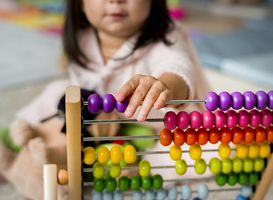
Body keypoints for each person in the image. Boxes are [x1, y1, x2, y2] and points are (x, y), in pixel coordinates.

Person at [16, 0, 213, 182]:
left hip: (171, 129)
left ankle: (147, 166)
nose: (115, 1)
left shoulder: (166, 37)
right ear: (80, 4)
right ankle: (24, 131)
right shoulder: (82, 38)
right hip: (106, 121)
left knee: (216, 147)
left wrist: (166, 86)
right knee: (59, 90)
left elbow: (176, 66)